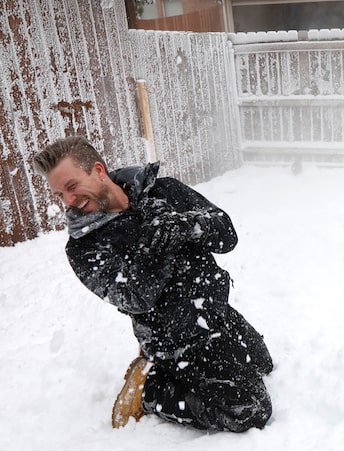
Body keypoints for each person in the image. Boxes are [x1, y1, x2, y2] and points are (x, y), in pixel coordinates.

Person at [32, 137, 274, 432]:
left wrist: (188, 225)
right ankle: (151, 389)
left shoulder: (163, 191)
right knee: (249, 411)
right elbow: (134, 297)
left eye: (72, 187)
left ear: (97, 170)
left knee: (264, 364)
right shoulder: (84, 248)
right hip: (175, 342)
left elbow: (227, 234)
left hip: (216, 314)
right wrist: (156, 245)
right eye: (60, 195)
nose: (68, 202)